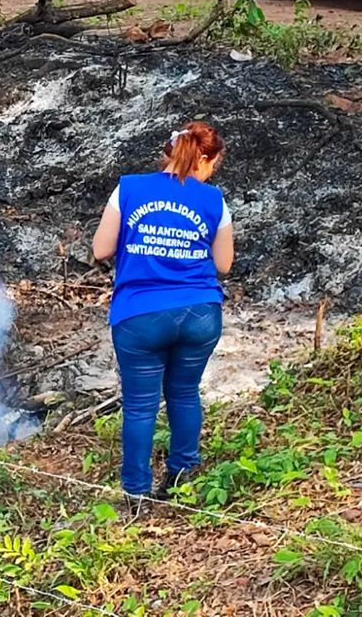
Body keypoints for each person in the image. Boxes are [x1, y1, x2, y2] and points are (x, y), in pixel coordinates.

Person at [91, 121, 234, 509]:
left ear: (168, 152)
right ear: (205, 160)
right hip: (199, 314)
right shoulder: (214, 200)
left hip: (140, 314)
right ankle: (181, 479)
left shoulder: (129, 188)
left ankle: (136, 494)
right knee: (184, 393)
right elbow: (224, 264)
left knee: (140, 407)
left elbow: (101, 249)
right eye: (214, 165)